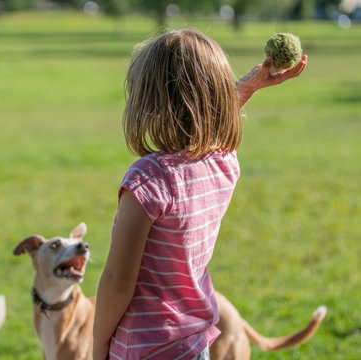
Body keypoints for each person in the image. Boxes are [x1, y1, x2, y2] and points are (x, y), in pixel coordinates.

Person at [93, 28, 307, 360]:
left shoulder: (149, 179)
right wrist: (248, 84)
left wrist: (97, 345)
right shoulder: (224, 164)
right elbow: (214, 129)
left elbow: (118, 281)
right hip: (194, 344)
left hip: (142, 348)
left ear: (149, 102)